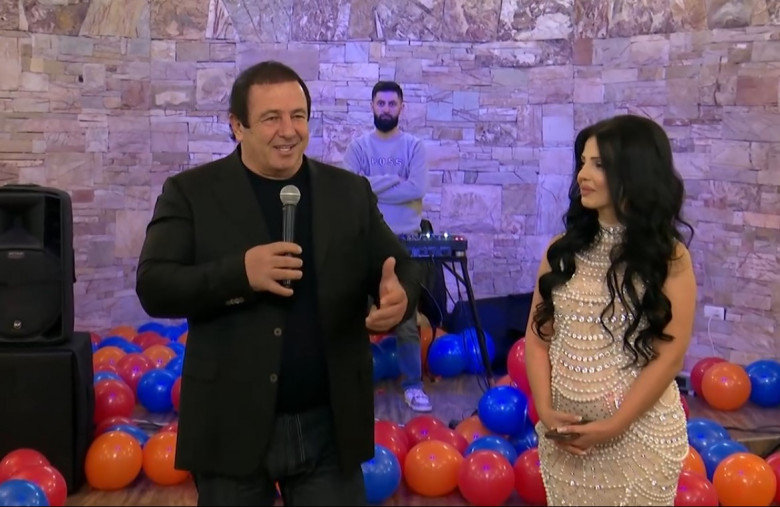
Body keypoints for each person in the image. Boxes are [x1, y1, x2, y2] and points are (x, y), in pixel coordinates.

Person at [135, 60, 422, 506]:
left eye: (298, 116)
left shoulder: (348, 192)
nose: (288, 131)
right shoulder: (192, 193)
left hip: (329, 425)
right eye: (271, 118)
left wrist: (398, 296)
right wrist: (240, 273)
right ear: (238, 125)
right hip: (230, 425)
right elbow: (154, 285)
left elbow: (399, 264)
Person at [523, 114, 696, 506]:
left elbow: (669, 357)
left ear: (635, 172)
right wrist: (546, 412)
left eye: (599, 164)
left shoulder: (669, 258)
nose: (583, 175)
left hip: (639, 444)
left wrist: (613, 426)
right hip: (565, 445)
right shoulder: (560, 251)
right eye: (583, 162)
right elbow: (536, 340)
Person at [342, 80, 432, 412]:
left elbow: (416, 189)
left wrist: (371, 186)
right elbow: (350, 190)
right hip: (364, 244)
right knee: (358, 317)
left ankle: (413, 386)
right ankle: (352, 385)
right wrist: (394, 181)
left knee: (406, 318)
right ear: (372, 106)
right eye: (380, 103)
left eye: (392, 104)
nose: (386, 109)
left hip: (404, 245)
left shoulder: (414, 147)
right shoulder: (358, 147)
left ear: (401, 108)